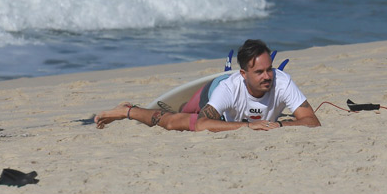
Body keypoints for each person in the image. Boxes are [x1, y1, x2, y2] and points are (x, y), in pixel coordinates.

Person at [94, 39, 321, 132]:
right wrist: (247, 127)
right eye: (259, 72)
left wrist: (280, 126)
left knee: (181, 117)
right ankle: (128, 110)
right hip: (212, 92)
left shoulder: (282, 80)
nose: (267, 77)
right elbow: (203, 122)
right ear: (243, 74)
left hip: (230, 112)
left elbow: (312, 121)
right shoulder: (230, 88)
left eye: (269, 69)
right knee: (177, 118)